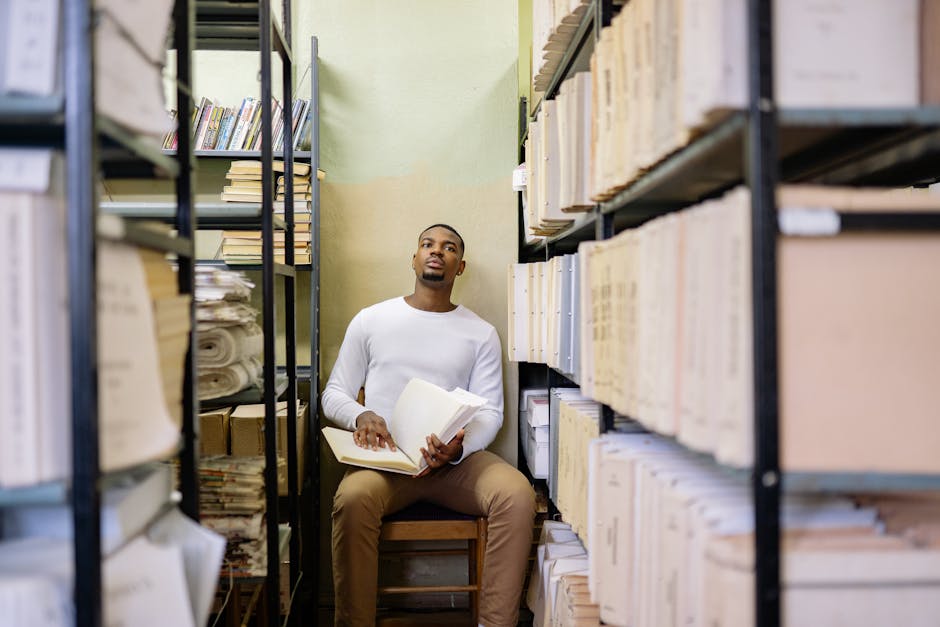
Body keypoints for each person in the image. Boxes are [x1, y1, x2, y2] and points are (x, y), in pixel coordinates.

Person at [322, 223, 536, 627]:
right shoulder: (372, 320)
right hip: (387, 463)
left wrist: (460, 448)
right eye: (428, 244)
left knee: (517, 495)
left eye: (449, 247)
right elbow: (334, 394)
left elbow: (491, 412)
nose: (437, 251)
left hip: (453, 462)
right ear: (415, 258)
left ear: (460, 265)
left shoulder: (481, 333)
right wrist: (362, 415)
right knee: (351, 500)